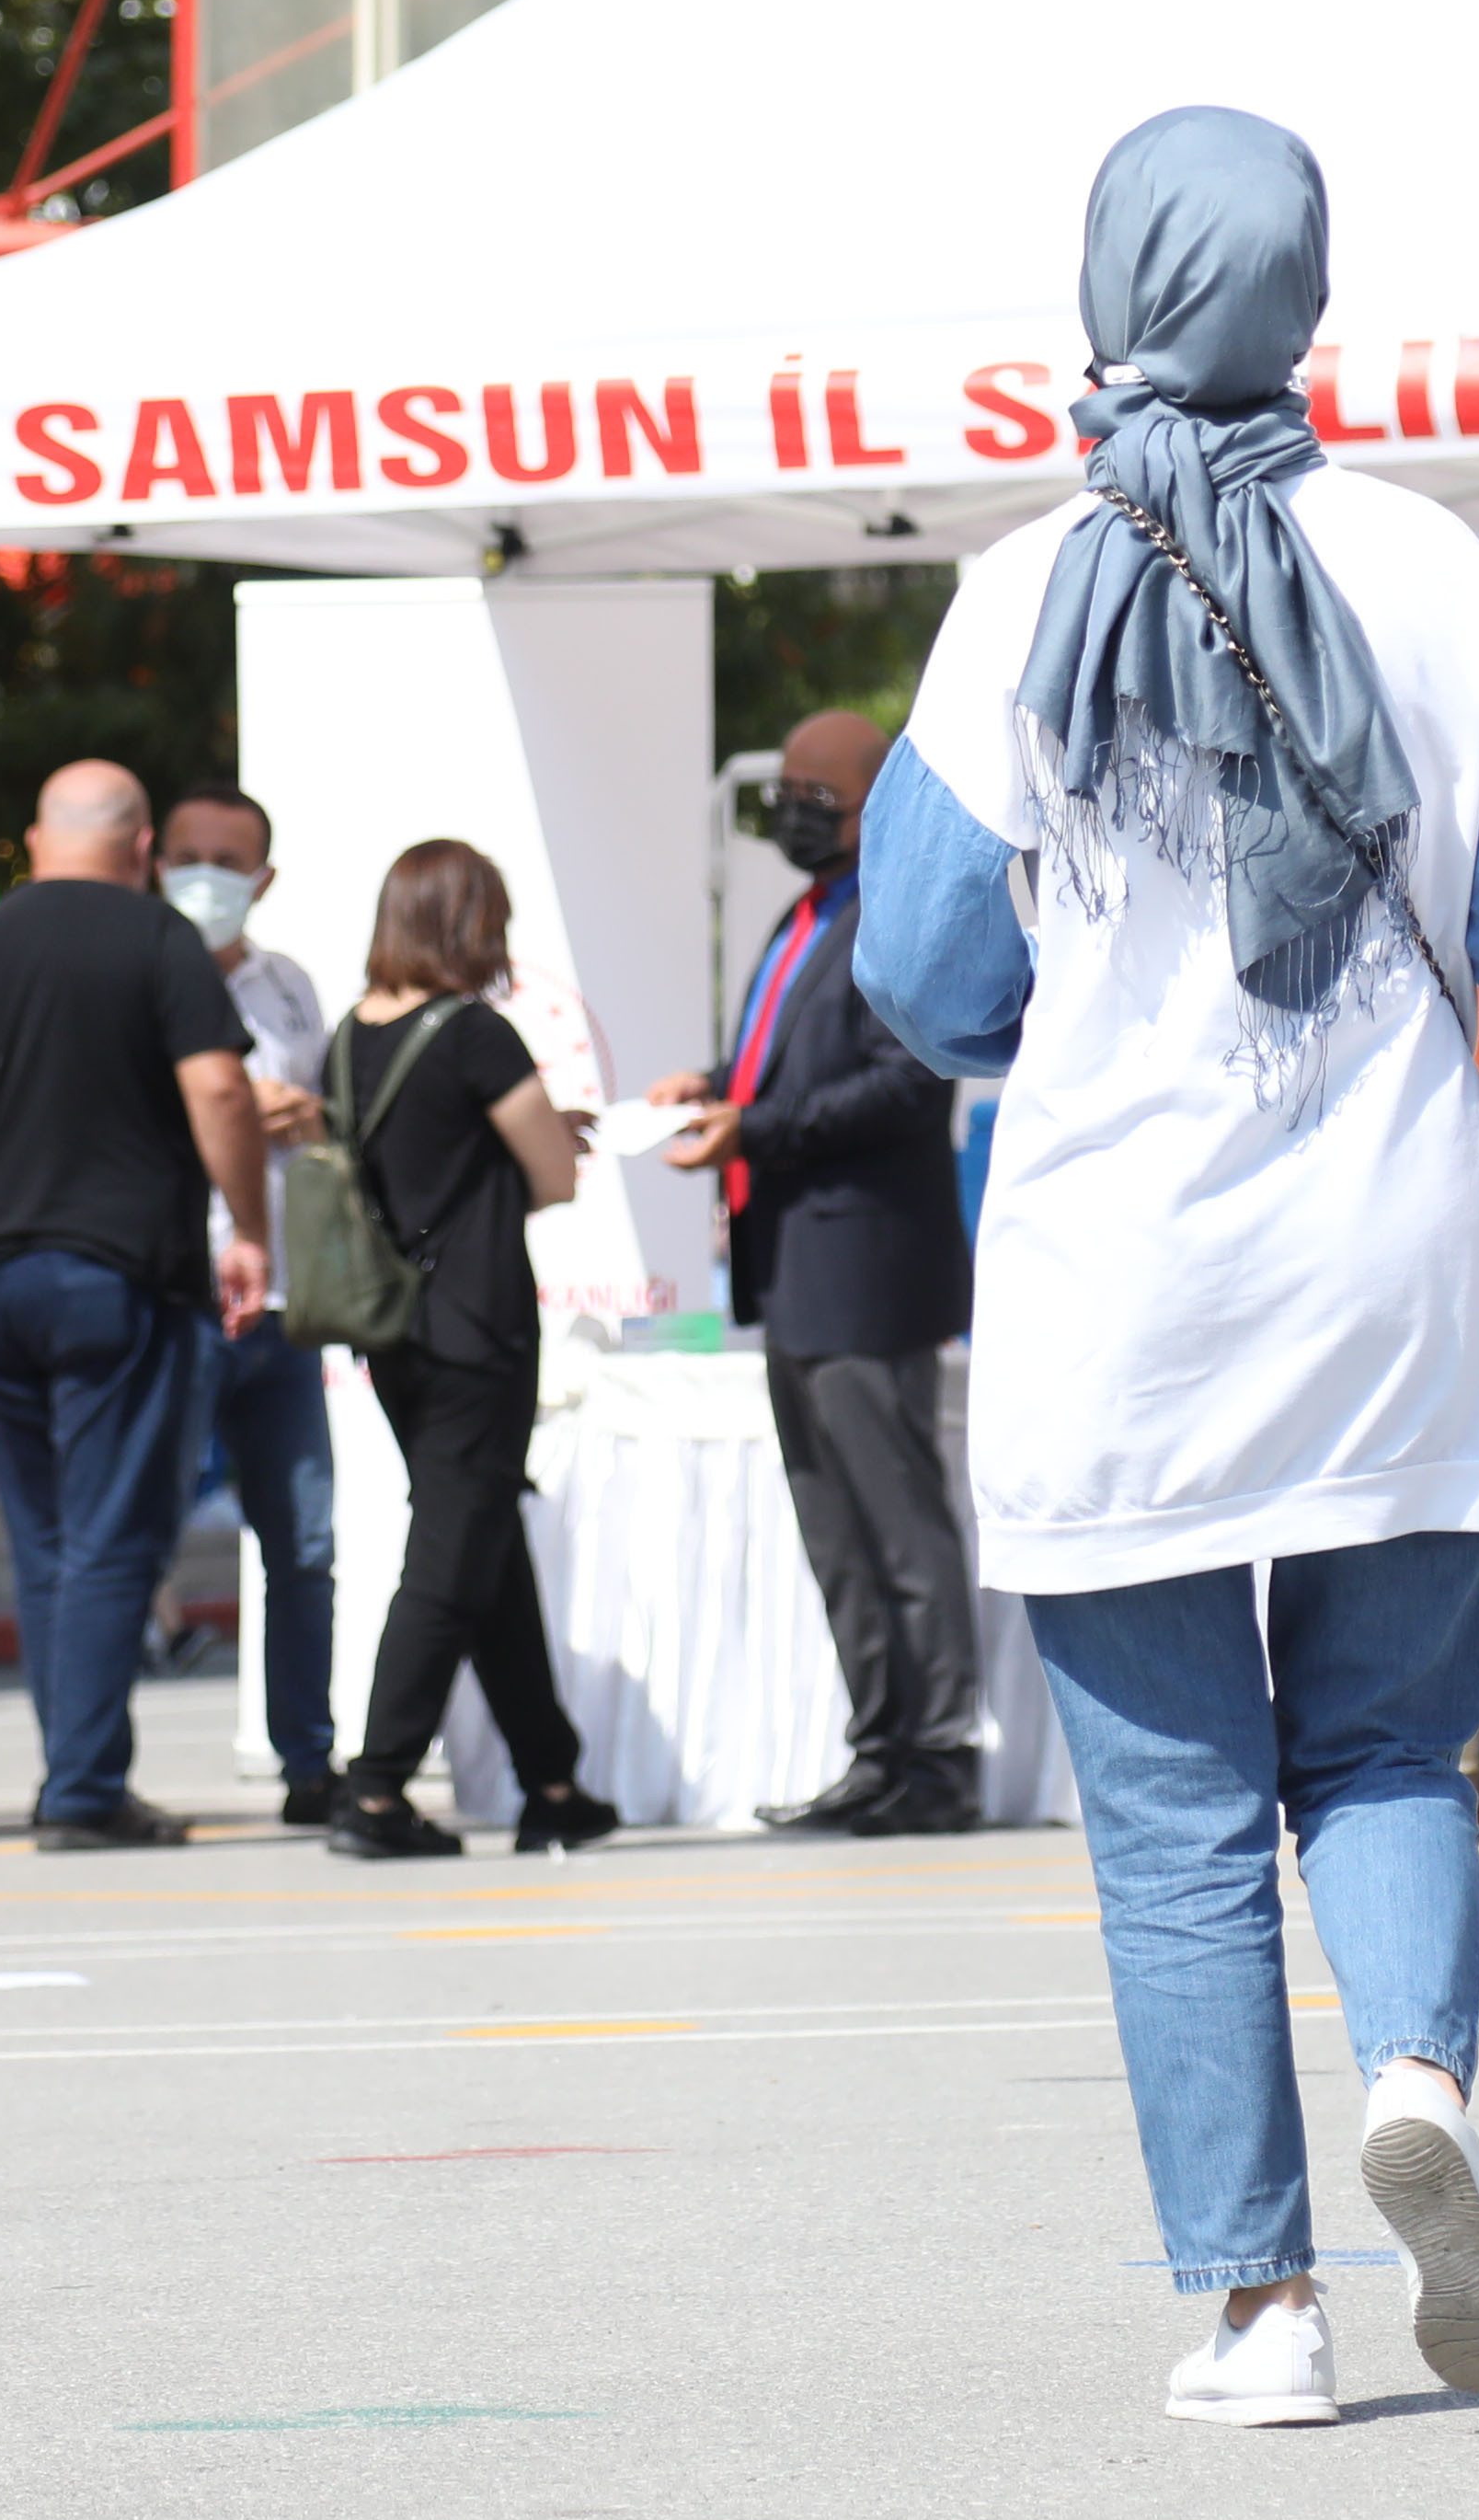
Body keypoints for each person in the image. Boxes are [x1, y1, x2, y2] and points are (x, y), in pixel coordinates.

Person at [850, 108, 1479, 2433]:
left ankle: (1261, 2312)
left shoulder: (1023, 583)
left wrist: (1088, 1019)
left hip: (1126, 1269)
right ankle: (1418, 2076)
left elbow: (918, 970)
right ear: (1305, 287)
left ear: (1112, 278)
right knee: (1395, 1749)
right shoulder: (1431, 562)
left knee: (1180, 1829)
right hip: (1400, 1252)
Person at [0, 759, 281, 1852]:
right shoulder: (159, 943)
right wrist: (247, 1225)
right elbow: (217, 1087)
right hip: (122, 1274)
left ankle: (74, 1768)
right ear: (145, 846)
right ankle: (83, 1788)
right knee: (113, 1535)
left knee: (47, 1534)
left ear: (32, 837)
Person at [650, 709, 984, 1837]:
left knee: (898, 1520)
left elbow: (903, 1084)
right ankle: (880, 1744)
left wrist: (756, 1128)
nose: (792, 809)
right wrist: (711, 1089)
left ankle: (939, 1751)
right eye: (783, 788)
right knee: (835, 1528)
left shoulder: (898, 915)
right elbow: (784, 1065)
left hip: (867, 1265)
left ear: (871, 799)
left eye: (814, 791)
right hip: (795, 1264)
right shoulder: (805, 913)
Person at [314, 838, 622, 1864]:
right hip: (479, 1327)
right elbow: (554, 1174)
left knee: (482, 1538)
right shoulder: (475, 1034)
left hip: (394, 1330)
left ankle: (553, 1779)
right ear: (467, 924)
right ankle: (376, 1786)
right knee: (450, 1554)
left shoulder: (348, 1037)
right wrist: (543, 1142)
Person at [157, 786, 346, 1824]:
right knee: (137, 1534)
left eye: (226, 860)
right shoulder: (138, 971)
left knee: (303, 1543)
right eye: (185, 853)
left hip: (279, 1305)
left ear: (262, 880)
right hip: (178, 1295)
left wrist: (304, 1116)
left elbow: (323, 1129)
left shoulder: (288, 989)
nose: (203, 876)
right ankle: (96, 1761)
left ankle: (306, 1758)